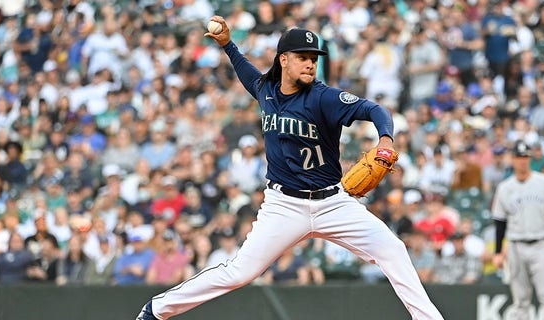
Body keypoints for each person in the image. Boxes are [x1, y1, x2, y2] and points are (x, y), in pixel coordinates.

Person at [136, 17, 444, 320]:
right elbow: (247, 74)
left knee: (393, 249)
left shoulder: (325, 97)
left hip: (333, 202)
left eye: (313, 58)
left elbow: (375, 109)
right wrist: (228, 45)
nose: (310, 64)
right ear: (283, 60)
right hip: (284, 205)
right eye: (303, 58)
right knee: (240, 271)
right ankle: (156, 310)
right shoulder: (266, 90)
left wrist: (386, 139)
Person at [491, 141, 544, 320]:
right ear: (513, 159)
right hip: (516, 245)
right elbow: (500, 222)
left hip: (541, 243)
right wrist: (498, 251)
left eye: (525, 157)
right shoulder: (505, 187)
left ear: (529, 159)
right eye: (518, 157)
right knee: (520, 299)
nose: (522, 161)